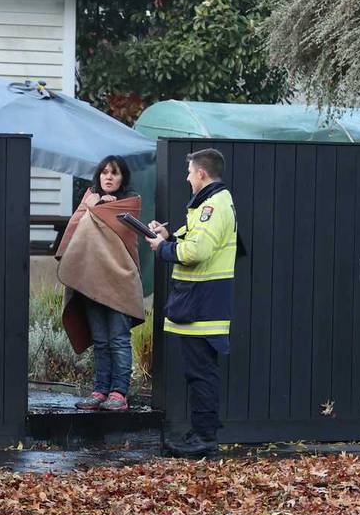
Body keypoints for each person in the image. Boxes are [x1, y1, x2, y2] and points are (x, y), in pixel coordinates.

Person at [146, 148, 237, 460]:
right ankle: (201, 432)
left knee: (201, 373)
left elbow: (196, 252)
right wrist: (167, 236)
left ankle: (204, 438)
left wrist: (163, 250)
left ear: (201, 174)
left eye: (189, 172)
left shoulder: (213, 206)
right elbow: (194, 241)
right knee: (199, 372)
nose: (186, 178)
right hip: (200, 303)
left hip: (203, 304)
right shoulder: (211, 203)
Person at [53, 155, 144, 412]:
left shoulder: (130, 203)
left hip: (119, 283)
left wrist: (102, 209)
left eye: (114, 173)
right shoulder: (89, 200)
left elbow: (127, 239)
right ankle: (100, 390)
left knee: (118, 339)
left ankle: (119, 393)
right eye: (104, 172)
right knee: (101, 341)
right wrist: (93, 207)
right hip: (91, 283)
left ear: (122, 177)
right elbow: (74, 232)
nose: (108, 177)